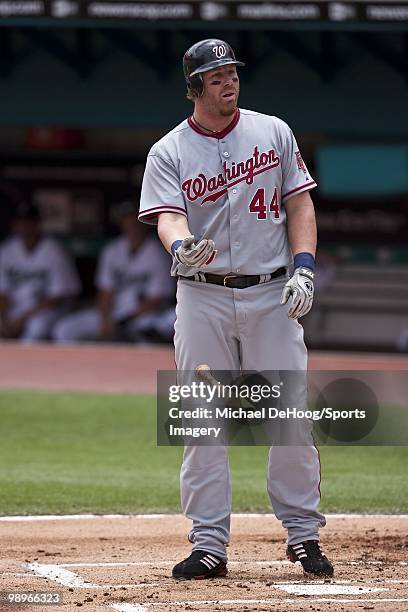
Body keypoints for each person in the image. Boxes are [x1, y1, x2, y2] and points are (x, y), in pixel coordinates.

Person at [139, 39, 333, 580]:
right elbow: (167, 217)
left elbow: (300, 202)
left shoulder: (273, 131)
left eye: (232, 73)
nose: (229, 82)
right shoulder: (169, 150)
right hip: (202, 295)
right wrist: (179, 246)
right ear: (195, 86)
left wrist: (304, 267)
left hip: (272, 292)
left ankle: (302, 536)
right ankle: (208, 544)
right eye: (217, 75)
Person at [53, 201, 175, 344]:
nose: (132, 223)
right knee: (64, 329)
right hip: (114, 313)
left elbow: (155, 301)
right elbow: (105, 292)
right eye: (127, 219)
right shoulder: (112, 250)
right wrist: (105, 320)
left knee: (149, 330)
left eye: (136, 218)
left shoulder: (157, 252)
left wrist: (120, 324)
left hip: (145, 316)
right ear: (121, 222)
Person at [0, 202, 80, 342]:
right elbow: (3, 293)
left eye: (29, 222)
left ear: (37, 223)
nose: (24, 226)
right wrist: (3, 318)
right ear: (14, 224)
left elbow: (57, 298)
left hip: (45, 311)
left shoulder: (54, 251)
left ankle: (26, 363)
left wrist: (22, 319)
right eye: (20, 222)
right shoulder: (6, 251)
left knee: (37, 327)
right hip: (15, 309)